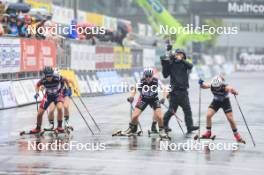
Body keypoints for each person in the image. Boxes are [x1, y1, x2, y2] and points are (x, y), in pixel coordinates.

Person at [161, 47, 199, 133]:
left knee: (187, 110)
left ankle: (190, 126)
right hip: (174, 92)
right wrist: (164, 63)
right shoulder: (171, 64)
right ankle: (164, 125)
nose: (180, 55)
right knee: (171, 111)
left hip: (184, 92)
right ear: (175, 55)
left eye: (181, 54)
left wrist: (181, 60)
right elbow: (165, 75)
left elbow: (191, 66)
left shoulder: (184, 64)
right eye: (178, 54)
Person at [122, 68, 168, 138]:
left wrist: (164, 98)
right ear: (144, 76)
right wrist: (131, 96)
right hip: (144, 99)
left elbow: (165, 89)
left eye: (150, 76)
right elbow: (134, 89)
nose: (148, 78)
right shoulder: (141, 81)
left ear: (152, 76)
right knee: (134, 116)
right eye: (146, 76)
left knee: (160, 117)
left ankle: (161, 131)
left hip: (154, 99)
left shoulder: (156, 80)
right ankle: (131, 129)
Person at [198, 75, 245, 142]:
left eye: (218, 87)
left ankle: (236, 135)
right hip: (216, 101)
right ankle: (208, 132)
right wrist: (201, 83)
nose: (216, 88)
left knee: (230, 119)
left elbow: (230, 88)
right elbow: (204, 86)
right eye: (215, 87)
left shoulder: (225, 86)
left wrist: (234, 91)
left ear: (221, 84)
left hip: (225, 102)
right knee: (208, 115)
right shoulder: (212, 85)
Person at [30, 66, 70, 134]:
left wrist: (68, 87)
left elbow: (66, 79)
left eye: (50, 76)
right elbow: (37, 85)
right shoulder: (43, 80)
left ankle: (59, 126)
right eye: (47, 76)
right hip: (48, 96)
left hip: (57, 95)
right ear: (45, 75)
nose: (49, 78)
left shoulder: (57, 77)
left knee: (60, 108)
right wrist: (37, 93)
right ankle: (38, 128)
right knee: (40, 113)